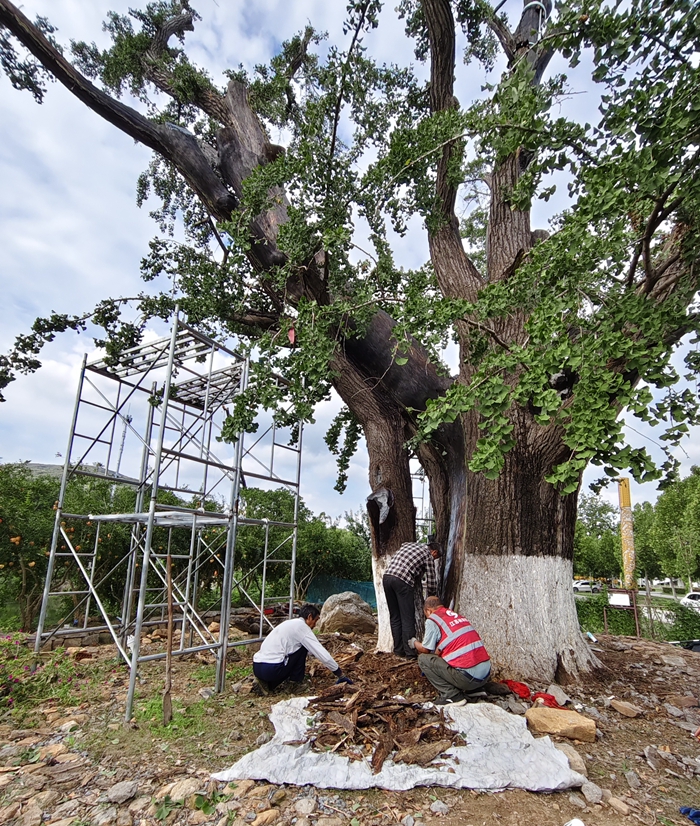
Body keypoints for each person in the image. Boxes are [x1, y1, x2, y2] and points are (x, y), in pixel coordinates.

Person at [408, 596, 491, 706]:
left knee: (423, 659)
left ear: (428, 610)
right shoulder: (455, 616)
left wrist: (414, 642)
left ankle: (452, 696)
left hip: (468, 679)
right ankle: (475, 691)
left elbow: (425, 649)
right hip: (485, 675)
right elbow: (443, 648)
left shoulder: (433, 619)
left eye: (426, 614)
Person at [252, 604, 351, 691]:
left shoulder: (289, 624)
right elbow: (320, 652)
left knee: (289, 654)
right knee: (302, 648)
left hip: (257, 666)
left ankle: (267, 684)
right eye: (315, 620)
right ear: (309, 617)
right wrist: (340, 674)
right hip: (272, 669)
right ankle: (294, 684)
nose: (314, 625)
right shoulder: (302, 627)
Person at [382, 540, 440, 658]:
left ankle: (398, 651)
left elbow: (403, 545)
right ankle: (409, 653)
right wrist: (432, 599)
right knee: (407, 618)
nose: (434, 559)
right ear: (434, 552)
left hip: (387, 578)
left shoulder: (409, 545)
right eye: (436, 557)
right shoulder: (427, 555)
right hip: (402, 581)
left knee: (395, 617)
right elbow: (431, 581)